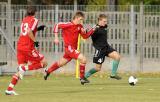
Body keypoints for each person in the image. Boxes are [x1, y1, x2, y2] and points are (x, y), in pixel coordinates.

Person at [44, 11, 96, 85]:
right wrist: (56, 37)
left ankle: (48, 71)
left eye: (82, 20)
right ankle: (82, 78)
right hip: (69, 48)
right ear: (76, 18)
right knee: (83, 59)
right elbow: (57, 25)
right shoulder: (68, 24)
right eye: (81, 19)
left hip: (71, 50)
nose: (82, 21)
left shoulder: (80, 26)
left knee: (61, 63)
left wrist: (92, 30)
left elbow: (85, 36)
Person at [5, 6, 47, 95]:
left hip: (20, 46)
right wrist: (35, 41)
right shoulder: (34, 19)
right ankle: (24, 68)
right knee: (44, 62)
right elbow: (29, 31)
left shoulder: (24, 19)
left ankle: (9, 89)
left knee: (20, 71)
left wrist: (38, 29)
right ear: (35, 12)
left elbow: (26, 31)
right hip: (28, 47)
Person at [85, 14, 121, 82]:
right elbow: (88, 33)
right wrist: (86, 30)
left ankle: (113, 74)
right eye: (104, 21)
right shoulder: (95, 28)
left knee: (117, 56)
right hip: (100, 50)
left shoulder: (104, 26)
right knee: (98, 69)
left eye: (106, 21)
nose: (106, 23)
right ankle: (84, 76)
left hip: (106, 47)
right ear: (100, 21)